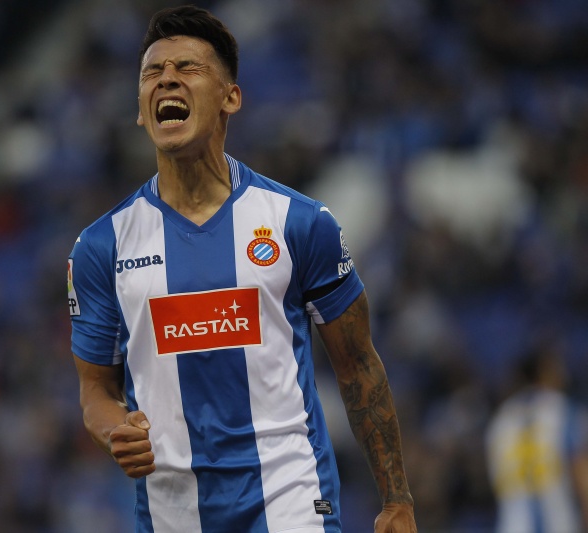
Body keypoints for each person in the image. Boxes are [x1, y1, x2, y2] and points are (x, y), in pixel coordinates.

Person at [68, 6, 416, 532]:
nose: (166, 79)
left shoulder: (300, 223)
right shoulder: (101, 247)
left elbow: (358, 365)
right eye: (151, 73)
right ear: (141, 110)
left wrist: (396, 499)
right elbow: (96, 390)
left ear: (230, 97)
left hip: (291, 498)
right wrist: (116, 430)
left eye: (187, 67)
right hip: (172, 513)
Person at [485, 346, 588, 533]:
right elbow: (581, 471)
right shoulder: (565, 411)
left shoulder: (500, 420)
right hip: (559, 524)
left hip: (512, 526)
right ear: (544, 372)